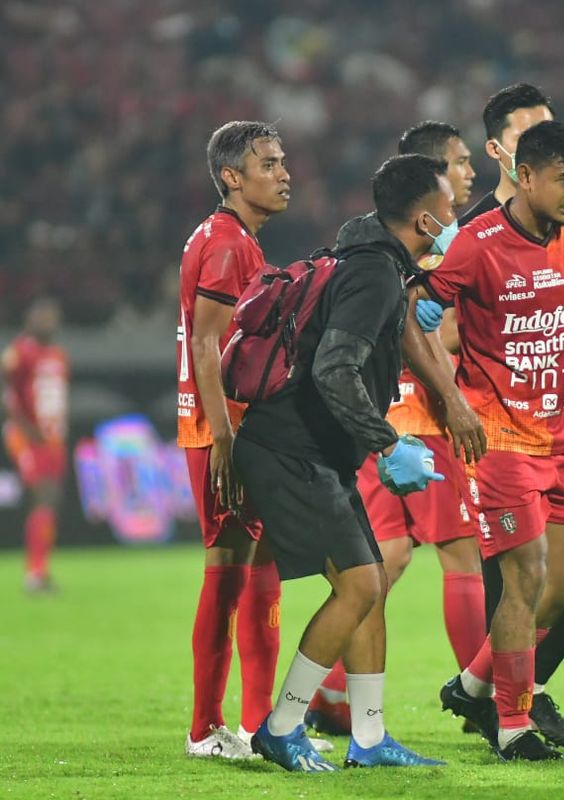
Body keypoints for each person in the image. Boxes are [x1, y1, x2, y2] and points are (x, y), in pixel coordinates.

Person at [404, 120, 564, 761]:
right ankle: (512, 724)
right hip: (500, 440)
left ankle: (474, 682)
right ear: (526, 176)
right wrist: (452, 401)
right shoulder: (475, 243)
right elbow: (413, 312)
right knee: (527, 577)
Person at [232, 154, 456, 772]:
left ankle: (369, 737)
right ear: (426, 217)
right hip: (290, 449)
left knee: (369, 584)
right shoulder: (375, 276)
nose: (456, 217)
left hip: (317, 452)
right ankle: (282, 726)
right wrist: (386, 443)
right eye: (451, 207)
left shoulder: (368, 260)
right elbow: (335, 367)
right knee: (360, 584)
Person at [459, 83, 564, 749]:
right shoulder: (473, 234)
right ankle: (512, 708)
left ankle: (486, 687)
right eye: (532, 136)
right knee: (516, 573)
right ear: (504, 154)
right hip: (501, 425)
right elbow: (430, 320)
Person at [305, 120, 485, 737]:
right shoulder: (432, 249)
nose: (469, 175)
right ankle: (480, 695)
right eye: (459, 164)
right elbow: (427, 333)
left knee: (387, 558)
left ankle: (327, 690)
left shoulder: (371, 246)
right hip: (424, 423)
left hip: (373, 421)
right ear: (431, 177)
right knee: (463, 556)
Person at [176, 121, 291, 759]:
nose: (283, 174)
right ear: (231, 176)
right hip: (222, 431)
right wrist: (224, 440)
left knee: (261, 566)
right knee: (226, 574)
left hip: (239, 427)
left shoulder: (233, 239)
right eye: (268, 164)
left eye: (281, 162)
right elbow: (205, 344)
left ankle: (258, 724)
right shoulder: (225, 245)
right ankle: (204, 729)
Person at [2, 298, 68, 594]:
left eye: (52, 318)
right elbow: (9, 395)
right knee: (43, 495)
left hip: (52, 438)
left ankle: (40, 568)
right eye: (43, 317)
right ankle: (35, 573)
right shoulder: (19, 353)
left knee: (50, 499)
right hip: (27, 436)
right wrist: (28, 430)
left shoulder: (57, 356)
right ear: (30, 320)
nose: (48, 323)